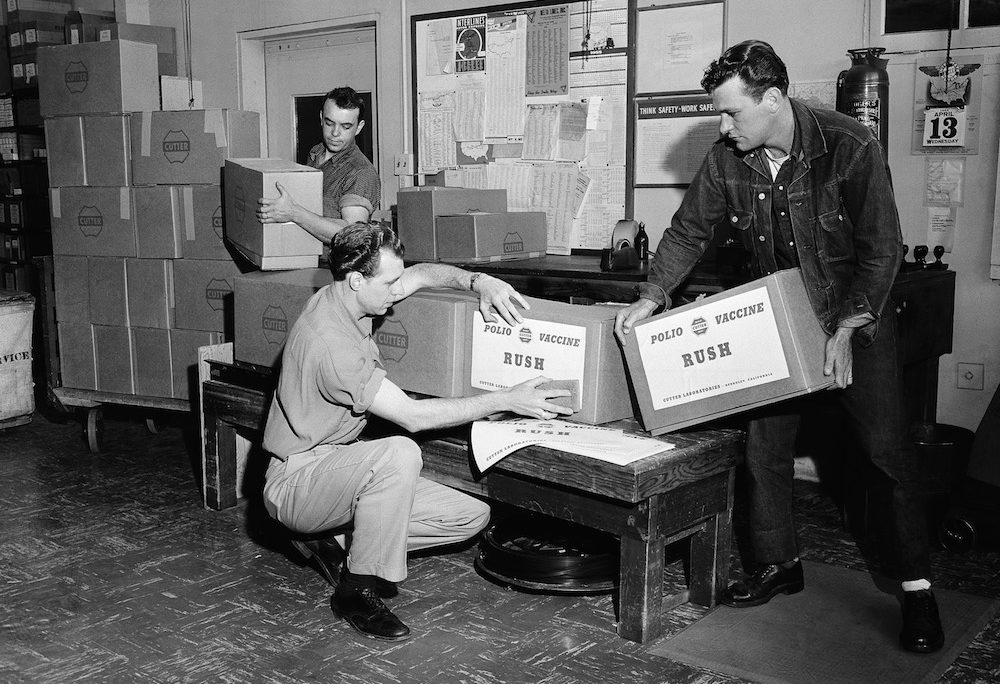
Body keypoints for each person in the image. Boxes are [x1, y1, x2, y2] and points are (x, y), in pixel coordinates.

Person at [613, 40, 944, 654]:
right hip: (780, 317)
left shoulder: (849, 146)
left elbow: (882, 249)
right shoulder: (728, 158)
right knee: (764, 446)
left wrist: (847, 330)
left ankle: (918, 587)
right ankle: (778, 564)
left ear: (773, 99)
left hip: (854, 316)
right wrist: (653, 294)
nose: (722, 125)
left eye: (732, 112)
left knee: (886, 456)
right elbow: (689, 229)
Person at [262, 222, 573, 642]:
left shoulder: (349, 296)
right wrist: (505, 399)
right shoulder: (330, 344)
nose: (397, 291)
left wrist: (480, 282)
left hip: (337, 464)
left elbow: (423, 274)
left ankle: (335, 538)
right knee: (399, 452)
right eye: (390, 283)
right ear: (356, 280)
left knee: (469, 516)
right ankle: (356, 590)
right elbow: (412, 417)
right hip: (297, 480)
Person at [257, 86, 381, 242]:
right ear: (321, 118)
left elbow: (352, 234)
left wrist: (293, 213)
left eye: (345, 126)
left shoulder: (361, 173)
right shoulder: (316, 152)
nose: (335, 133)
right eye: (330, 123)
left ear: (359, 127)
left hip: (331, 265)